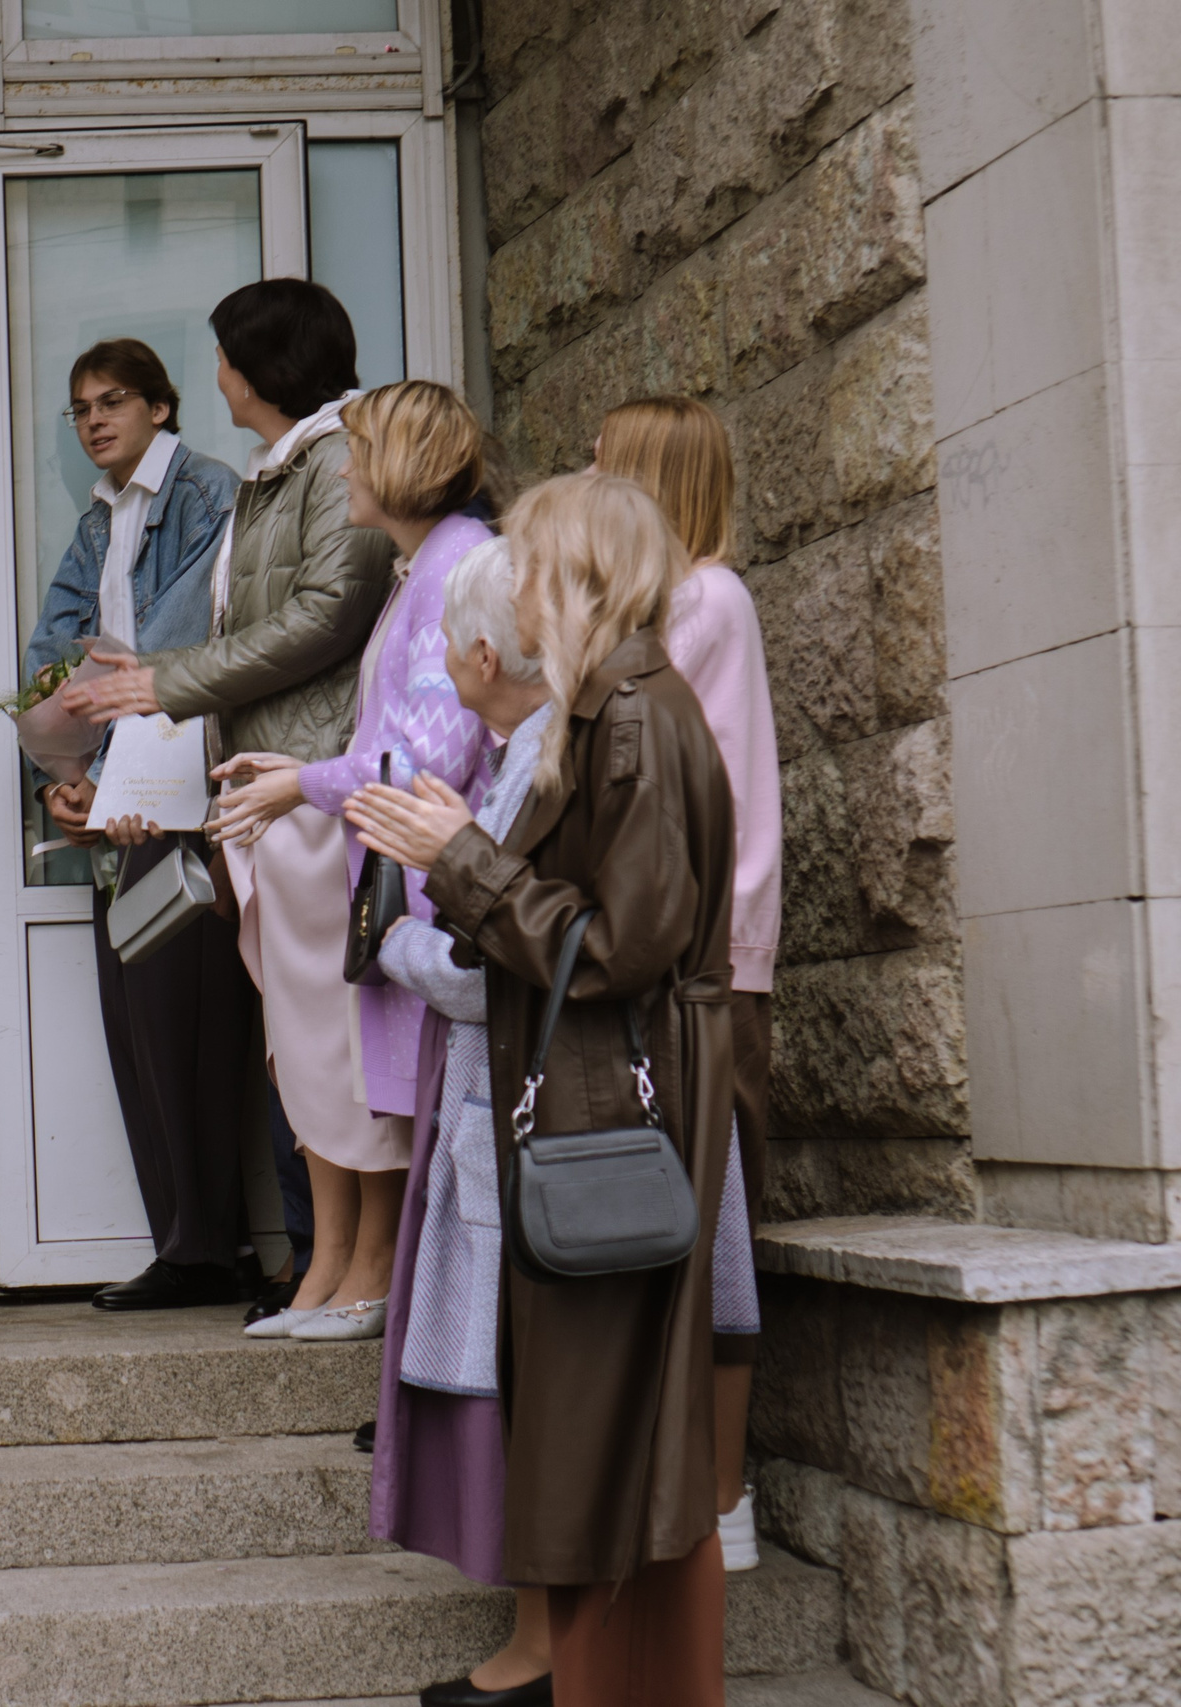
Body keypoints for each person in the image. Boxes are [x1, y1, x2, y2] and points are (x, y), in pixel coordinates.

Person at [346, 469, 739, 1707]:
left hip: (615, 1112)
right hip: (589, 1108)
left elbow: (626, 945)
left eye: (525, 562)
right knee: (590, 1439)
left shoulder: (631, 714)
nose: (508, 589)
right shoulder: (609, 707)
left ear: (575, 573)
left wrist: (454, 857)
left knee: (614, 1440)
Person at [62, 288, 396, 1310]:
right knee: (295, 1040)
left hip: (312, 779)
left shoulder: (337, 460)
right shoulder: (279, 468)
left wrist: (156, 685)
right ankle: (324, 1267)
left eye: (219, 355)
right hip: (257, 787)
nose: (214, 373)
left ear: (254, 367)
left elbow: (319, 619)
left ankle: (355, 1270)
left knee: (338, 1041)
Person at [202, 379, 491, 1346]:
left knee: (386, 1098)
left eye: (359, 453)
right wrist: (302, 768)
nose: (344, 469)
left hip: (420, 876)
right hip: (389, 862)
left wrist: (299, 786)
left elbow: (425, 755)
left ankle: (374, 1279)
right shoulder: (428, 563)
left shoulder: (455, 565)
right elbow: (392, 733)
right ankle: (344, 1270)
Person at [363, 537, 557, 1705]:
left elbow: (502, 960)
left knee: (517, 1376)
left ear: (485, 654)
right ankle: (534, 1637)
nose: (440, 658)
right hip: (503, 1102)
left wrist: (394, 943)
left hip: (519, 1104)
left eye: (444, 641)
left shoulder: (542, 758)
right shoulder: (527, 746)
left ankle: (538, 1647)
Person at [23, 337, 245, 1311]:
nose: (94, 421)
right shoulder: (95, 520)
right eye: (79, 409)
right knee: (136, 1023)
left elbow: (179, 642)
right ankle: (182, 1243)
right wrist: (63, 779)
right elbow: (51, 659)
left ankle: (214, 1246)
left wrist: (108, 771)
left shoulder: (205, 493)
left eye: (111, 401)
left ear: (161, 404)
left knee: (192, 1025)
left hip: (184, 788)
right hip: (116, 795)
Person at [594, 394, 777, 1572]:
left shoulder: (701, 602)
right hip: (703, 950)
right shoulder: (698, 599)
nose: (587, 477)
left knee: (715, 1224)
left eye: (606, 463)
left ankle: (725, 1494)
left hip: (709, 962)